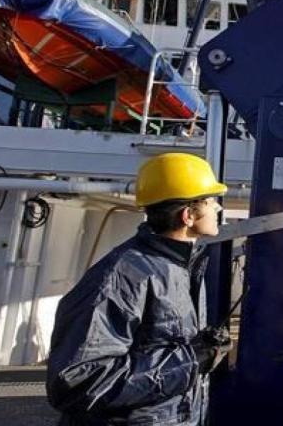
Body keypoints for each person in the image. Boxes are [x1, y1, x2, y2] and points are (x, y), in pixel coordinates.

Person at [47, 153, 231, 426]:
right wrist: (190, 361)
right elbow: (78, 381)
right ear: (188, 215)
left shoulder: (182, 267)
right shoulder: (121, 277)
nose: (217, 208)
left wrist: (200, 346)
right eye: (211, 200)